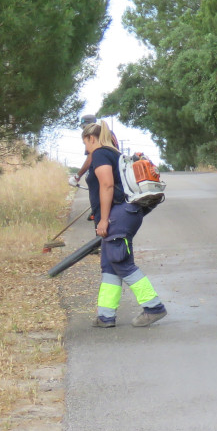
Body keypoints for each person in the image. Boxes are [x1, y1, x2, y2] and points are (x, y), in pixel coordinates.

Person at [83, 121, 168, 328]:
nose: (85, 149)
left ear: (91, 139)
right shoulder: (113, 153)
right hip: (126, 213)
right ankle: (105, 316)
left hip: (117, 214)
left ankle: (153, 307)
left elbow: (107, 184)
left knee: (120, 261)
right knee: (109, 265)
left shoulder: (101, 153)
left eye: (85, 143)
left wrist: (103, 219)